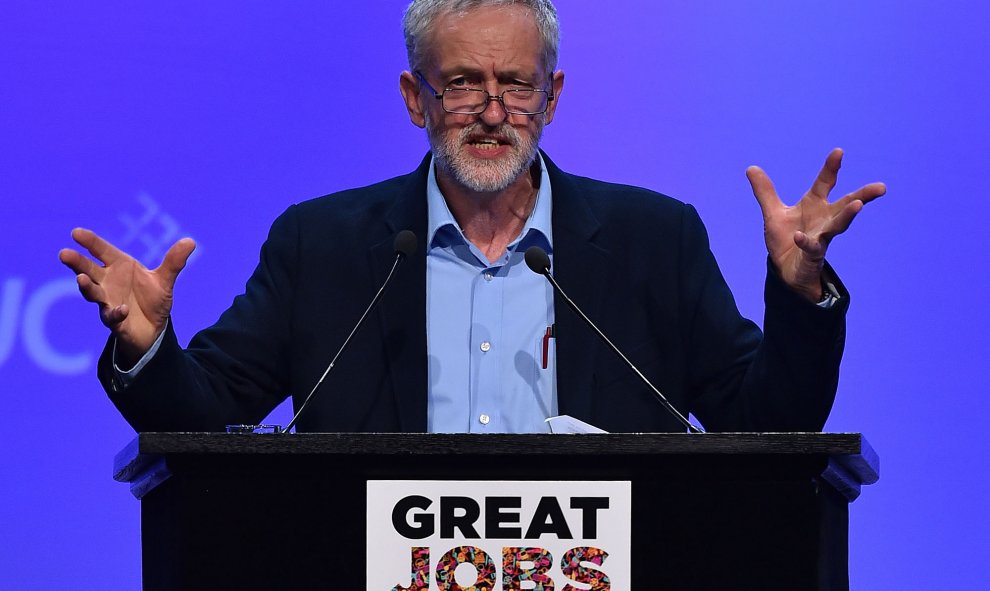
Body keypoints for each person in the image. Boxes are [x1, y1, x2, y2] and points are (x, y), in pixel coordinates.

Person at [58, 0, 884, 434]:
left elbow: (769, 423)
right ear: (415, 98)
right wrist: (148, 345)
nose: (493, 111)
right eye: (460, 83)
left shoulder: (652, 240)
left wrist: (802, 291)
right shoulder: (322, 245)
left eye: (516, 84)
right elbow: (204, 417)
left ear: (552, 97)